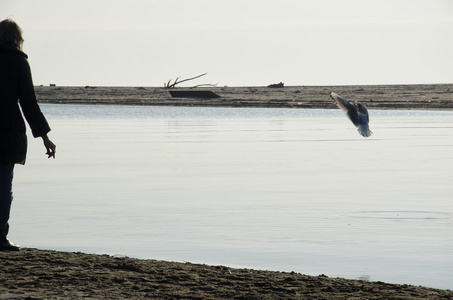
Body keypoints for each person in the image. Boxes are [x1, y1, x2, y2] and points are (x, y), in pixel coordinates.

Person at [0, 19, 56, 251]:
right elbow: (29, 104)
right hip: (7, 131)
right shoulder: (18, 62)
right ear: (17, 38)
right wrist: (45, 137)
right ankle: (0, 236)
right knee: (3, 187)